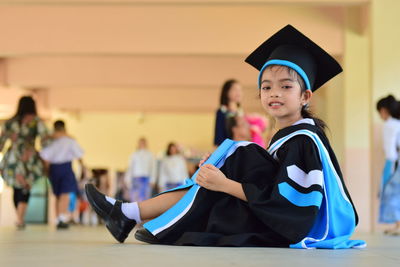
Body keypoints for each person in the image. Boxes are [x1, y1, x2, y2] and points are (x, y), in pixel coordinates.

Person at [85, 25, 366, 248]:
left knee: (241, 153)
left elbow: (290, 207)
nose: (274, 93)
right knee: (230, 158)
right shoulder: (286, 137)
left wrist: (226, 183)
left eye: (285, 86)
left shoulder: (305, 140)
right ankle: (128, 214)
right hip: (274, 217)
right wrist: (221, 167)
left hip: (295, 227)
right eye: (266, 87)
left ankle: (129, 214)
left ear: (305, 96)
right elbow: (265, 182)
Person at [0, 96, 50, 229]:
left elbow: (1, 143)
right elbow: (46, 141)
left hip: (12, 159)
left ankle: (19, 217)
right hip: (29, 158)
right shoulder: (36, 121)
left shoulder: (10, 122)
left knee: (17, 188)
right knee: (25, 186)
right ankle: (19, 218)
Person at [40, 120, 84, 229]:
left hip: (53, 168)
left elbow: (45, 157)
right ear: (64, 128)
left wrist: (46, 170)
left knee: (58, 194)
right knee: (66, 193)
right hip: (66, 167)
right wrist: (83, 167)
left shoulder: (50, 140)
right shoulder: (70, 140)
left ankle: (58, 217)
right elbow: (79, 155)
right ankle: (61, 218)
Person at [376, 95, 400, 235]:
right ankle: (397, 224)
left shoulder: (389, 124)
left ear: (384, 110)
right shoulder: (397, 123)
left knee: (392, 192)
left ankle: (398, 224)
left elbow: (391, 151)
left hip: (395, 162)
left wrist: (388, 170)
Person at [214, 79, 243, 146]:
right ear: (227, 92)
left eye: (240, 90)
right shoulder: (221, 112)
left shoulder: (240, 112)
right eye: (235, 89)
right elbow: (219, 137)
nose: (238, 93)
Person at [125, 138, 155, 202]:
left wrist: (153, 179)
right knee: (135, 199)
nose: (142, 144)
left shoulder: (150, 155)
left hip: (146, 179)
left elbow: (153, 168)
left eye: (144, 143)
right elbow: (130, 168)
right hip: (136, 179)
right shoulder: (134, 154)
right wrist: (128, 180)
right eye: (141, 143)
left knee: (146, 199)